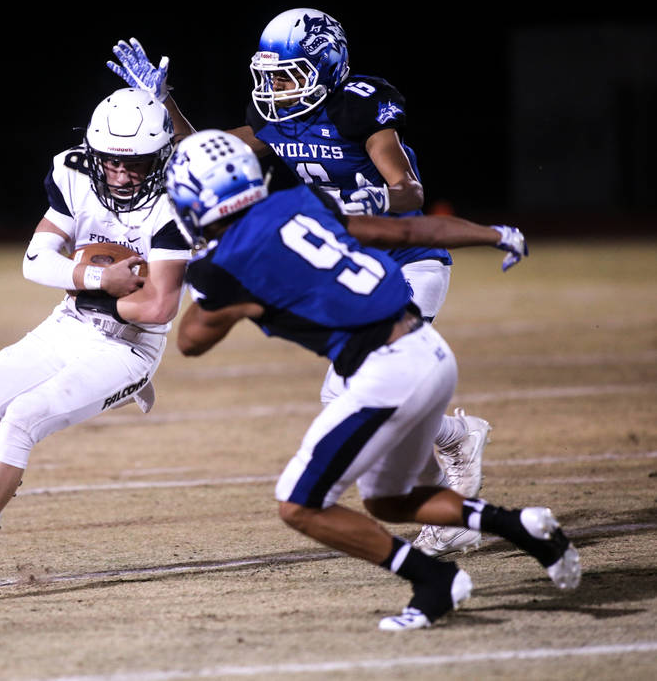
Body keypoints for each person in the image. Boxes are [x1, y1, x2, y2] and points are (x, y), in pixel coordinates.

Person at [109, 10, 495, 556]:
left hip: (409, 258)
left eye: (286, 75)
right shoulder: (279, 121)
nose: (274, 89)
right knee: (367, 387)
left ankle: (449, 484)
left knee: (355, 389)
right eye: (268, 76)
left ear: (326, 64)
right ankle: (457, 441)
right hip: (353, 263)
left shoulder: (360, 106)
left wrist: (343, 205)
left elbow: (408, 191)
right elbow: (204, 150)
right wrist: (163, 103)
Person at [165, 129, 579, 630]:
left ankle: (434, 579)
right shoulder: (299, 202)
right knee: (388, 500)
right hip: (430, 352)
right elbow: (402, 232)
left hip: (388, 372)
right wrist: (493, 233)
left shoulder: (225, 267)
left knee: (298, 505)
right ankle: (520, 527)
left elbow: (190, 341)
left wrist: (199, 272)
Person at [0, 87, 191, 600]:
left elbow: (158, 307)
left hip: (129, 348)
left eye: (133, 163)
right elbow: (35, 260)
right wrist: (97, 281)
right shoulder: (74, 172)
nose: (118, 174)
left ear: (159, 157)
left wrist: (96, 285)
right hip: (70, 321)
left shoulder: (178, 198)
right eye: (110, 161)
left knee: (23, 415)